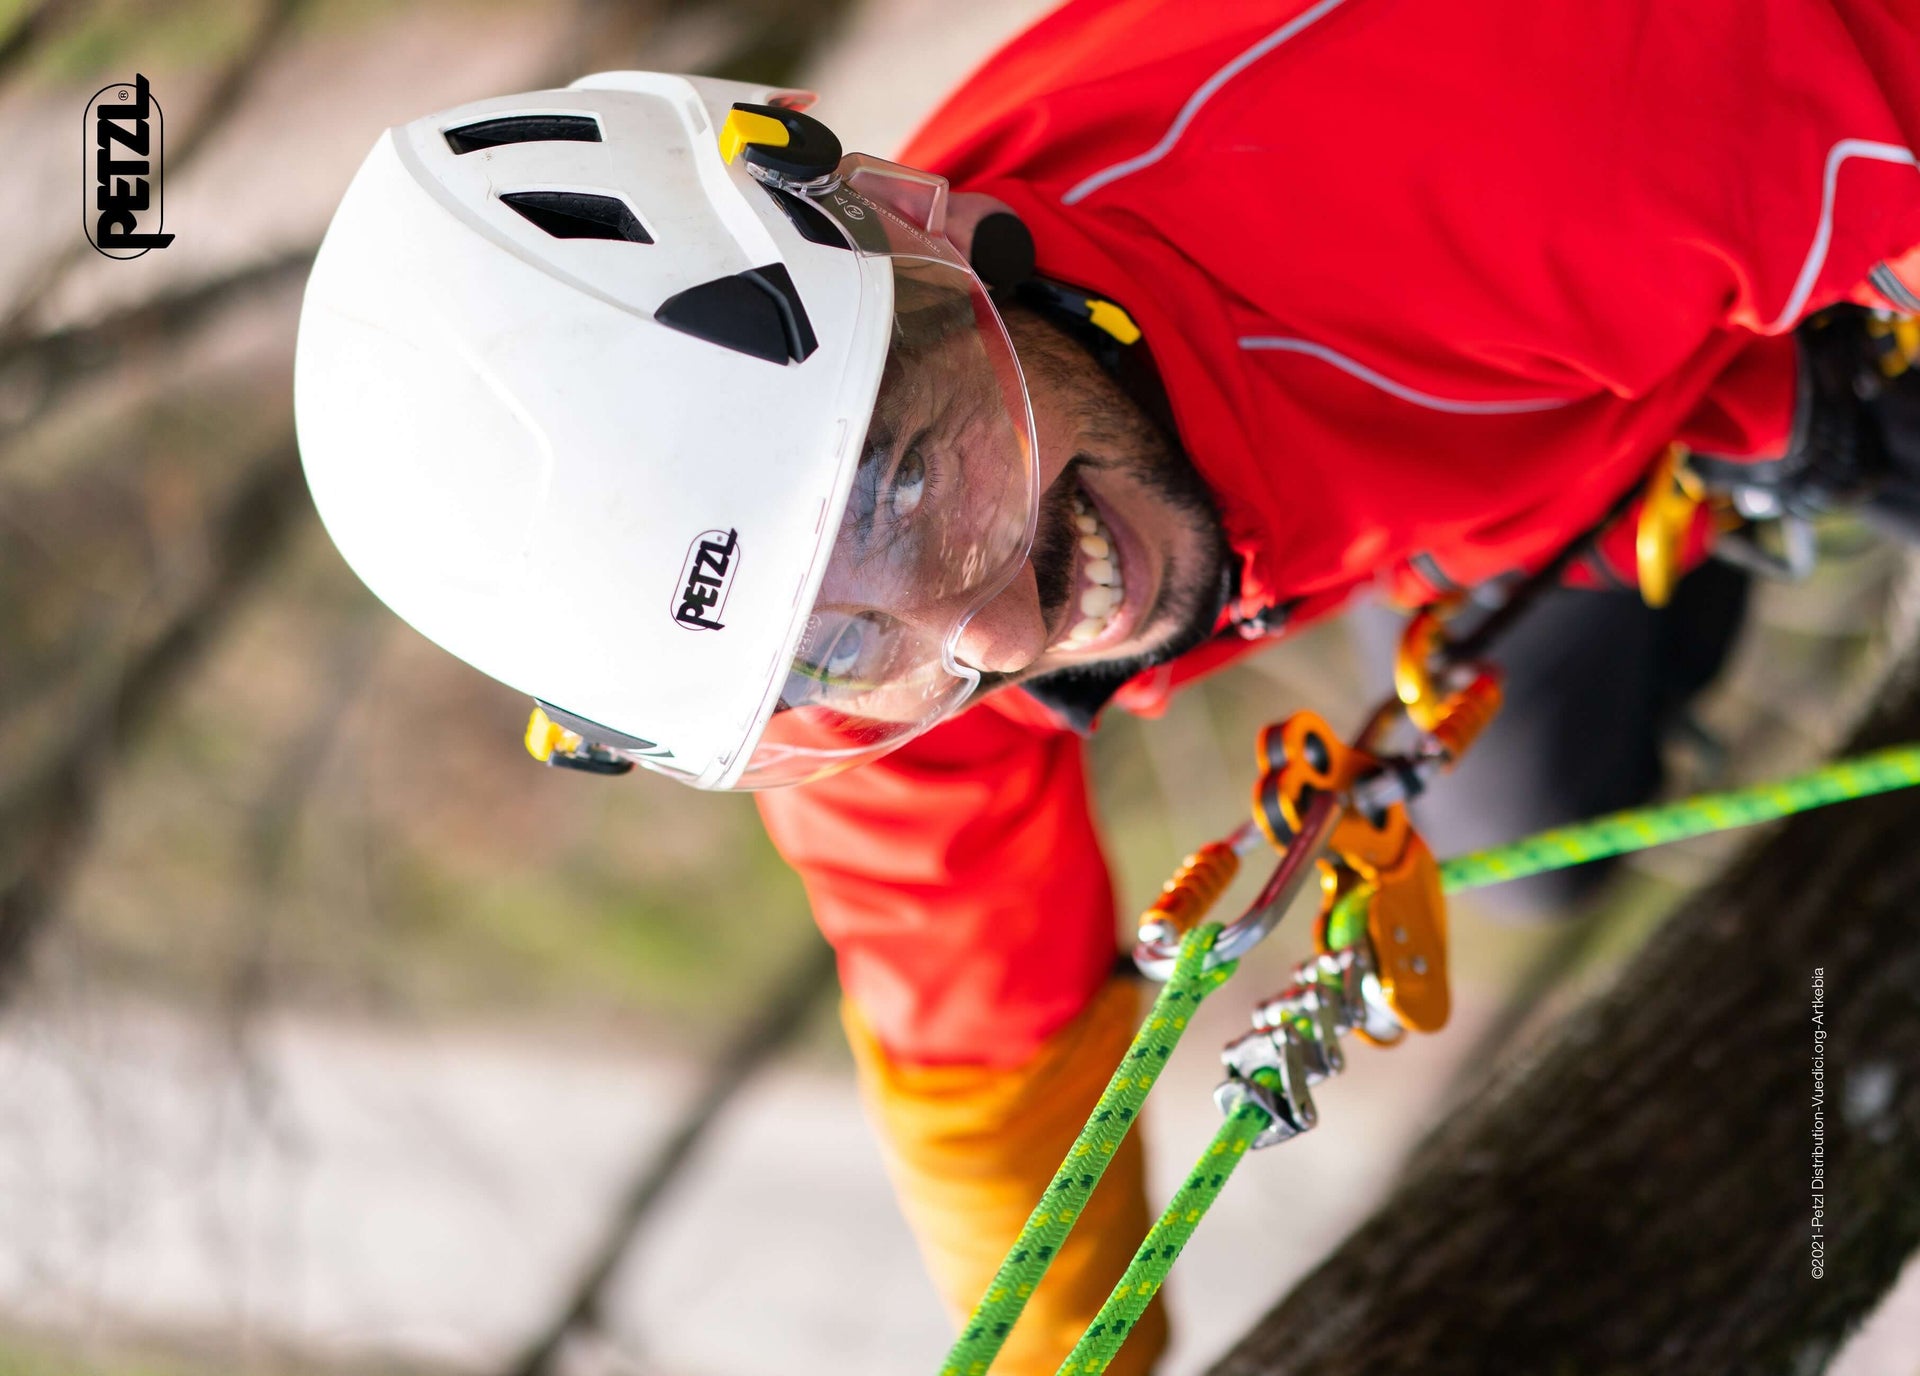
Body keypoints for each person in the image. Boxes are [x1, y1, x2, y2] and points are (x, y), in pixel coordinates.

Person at [294, 2, 1920, 1369]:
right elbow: (984, 1071)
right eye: (836, 646)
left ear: (921, 227)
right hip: (1532, 412)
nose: (991, 635)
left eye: (913, 482)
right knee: (1532, 800)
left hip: (1682, 213)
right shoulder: (885, 669)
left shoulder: (1517, 121)